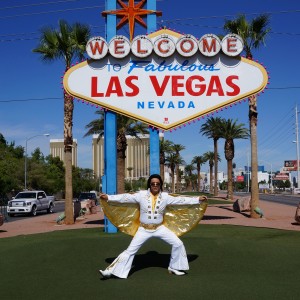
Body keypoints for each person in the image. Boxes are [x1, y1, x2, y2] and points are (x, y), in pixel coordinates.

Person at [99, 174, 207, 279]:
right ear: (149, 185)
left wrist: (197, 199)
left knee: (178, 244)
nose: (155, 185)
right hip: (143, 229)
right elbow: (125, 198)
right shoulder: (141, 195)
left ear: (160, 185)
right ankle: (110, 271)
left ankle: (174, 267)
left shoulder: (165, 197)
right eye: (153, 183)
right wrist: (109, 197)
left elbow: (181, 200)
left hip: (159, 228)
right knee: (130, 251)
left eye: (157, 184)